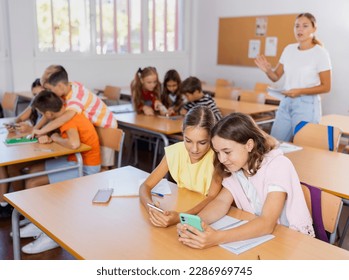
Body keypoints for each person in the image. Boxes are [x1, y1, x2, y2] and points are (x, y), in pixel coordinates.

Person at [177, 112, 314, 249]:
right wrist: (196, 224)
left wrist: (216, 237)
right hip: (262, 238)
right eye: (218, 152)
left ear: (249, 145)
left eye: (227, 152)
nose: (222, 159)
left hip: (290, 240)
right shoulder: (237, 168)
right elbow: (221, 202)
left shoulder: (278, 166)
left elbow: (267, 223)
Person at [18, 90, 101, 254]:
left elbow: (74, 144)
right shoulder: (63, 115)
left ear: (49, 114)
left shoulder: (68, 122)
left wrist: (55, 138)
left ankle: (51, 234)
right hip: (74, 161)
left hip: (85, 168)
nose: (42, 117)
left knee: (34, 182)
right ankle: (38, 223)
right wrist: (51, 137)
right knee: (33, 171)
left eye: (42, 114)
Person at [139, 105, 222, 227]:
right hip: (184, 208)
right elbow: (145, 186)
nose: (194, 149)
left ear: (212, 138)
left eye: (202, 143)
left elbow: (211, 198)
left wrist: (181, 217)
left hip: (205, 217)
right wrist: (151, 208)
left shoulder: (218, 158)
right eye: (188, 141)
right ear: (182, 133)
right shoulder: (175, 152)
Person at [254, 13, 331, 142]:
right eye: (297, 26)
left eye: (305, 26)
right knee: (274, 144)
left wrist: (299, 91)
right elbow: (275, 77)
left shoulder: (320, 53)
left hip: (307, 105)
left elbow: (326, 86)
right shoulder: (289, 49)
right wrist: (268, 70)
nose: (300, 29)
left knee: (305, 145)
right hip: (286, 103)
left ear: (314, 29)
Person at [32, 65, 117, 170]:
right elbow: (48, 113)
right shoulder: (66, 88)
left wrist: (42, 130)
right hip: (93, 125)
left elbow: (65, 118)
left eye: (49, 89)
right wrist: (36, 129)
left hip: (106, 126)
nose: (49, 93)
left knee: (105, 166)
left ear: (60, 86)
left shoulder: (76, 97)